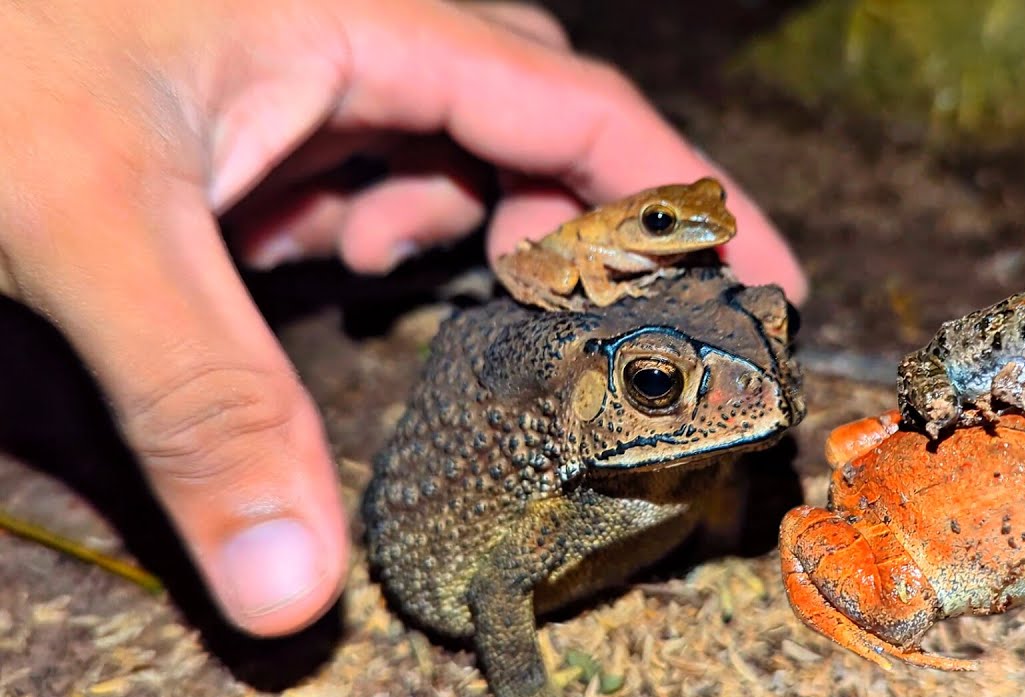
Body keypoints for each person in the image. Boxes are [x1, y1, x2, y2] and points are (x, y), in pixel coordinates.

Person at [0, 0, 806, 637]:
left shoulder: (696, 433)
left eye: (776, 329)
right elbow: (497, 589)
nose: (766, 375)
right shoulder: (560, 494)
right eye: (657, 382)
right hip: (467, 511)